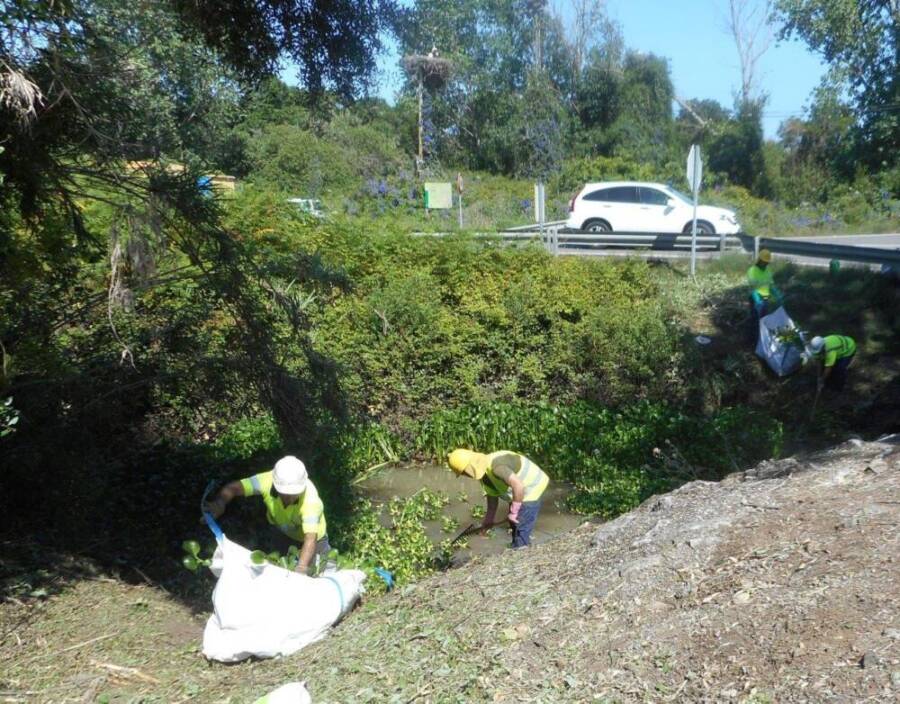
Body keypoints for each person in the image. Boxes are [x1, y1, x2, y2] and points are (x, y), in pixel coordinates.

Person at [204, 455, 330, 574]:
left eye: (294, 493)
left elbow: (310, 538)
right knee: (281, 570)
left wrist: (301, 569)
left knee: (318, 573)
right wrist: (220, 503)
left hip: (315, 542)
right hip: (282, 534)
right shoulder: (267, 481)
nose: (289, 498)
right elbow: (233, 488)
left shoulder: (311, 501)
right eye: (284, 493)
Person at [446, 449, 549, 548]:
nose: (466, 476)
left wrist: (514, 513)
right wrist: (488, 521)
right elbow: (492, 497)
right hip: (517, 491)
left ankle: (521, 549)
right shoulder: (484, 474)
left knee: (521, 527)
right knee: (514, 525)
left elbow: (518, 486)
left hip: (530, 487)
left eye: (464, 472)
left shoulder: (497, 467)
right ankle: (516, 546)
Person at [747, 249, 784, 321]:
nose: (766, 264)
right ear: (760, 260)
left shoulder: (767, 270)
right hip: (755, 299)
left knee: (764, 319)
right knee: (755, 321)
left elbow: (771, 285)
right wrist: (757, 300)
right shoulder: (752, 271)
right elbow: (752, 288)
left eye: (767, 263)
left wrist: (778, 295)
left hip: (765, 299)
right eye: (764, 262)